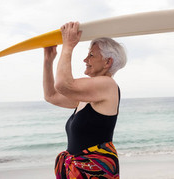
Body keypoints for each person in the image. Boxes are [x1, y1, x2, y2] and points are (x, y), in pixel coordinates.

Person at [43, 21, 127, 179]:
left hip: (95, 172)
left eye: (91, 55)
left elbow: (63, 84)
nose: (85, 59)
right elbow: (51, 96)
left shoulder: (108, 85)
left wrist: (68, 46)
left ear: (107, 62)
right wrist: (48, 61)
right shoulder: (88, 95)